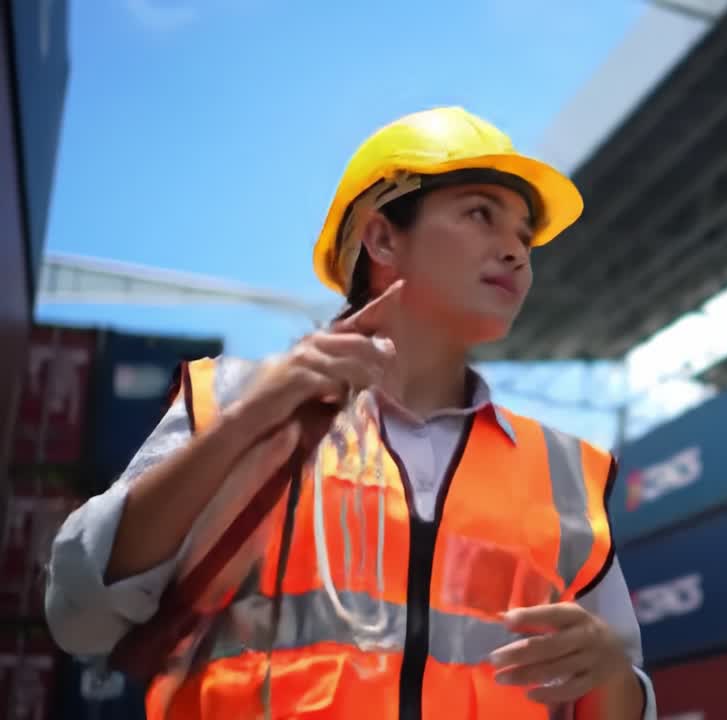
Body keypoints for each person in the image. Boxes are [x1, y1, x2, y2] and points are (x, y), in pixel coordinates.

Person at [44, 106, 655, 720]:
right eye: (480, 215)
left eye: (524, 236)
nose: (518, 254)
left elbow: (624, 703)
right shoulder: (232, 402)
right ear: (384, 237)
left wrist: (609, 674)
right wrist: (249, 423)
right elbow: (80, 613)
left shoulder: (568, 474)